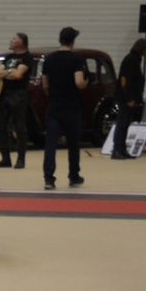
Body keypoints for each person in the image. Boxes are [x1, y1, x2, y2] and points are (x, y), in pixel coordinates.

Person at [41, 25, 86, 189]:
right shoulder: (76, 59)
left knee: (50, 144)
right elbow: (79, 82)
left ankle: (49, 179)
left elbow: (45, 84)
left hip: (54, 106)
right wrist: (86, 83)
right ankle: (74, 176)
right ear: (73, 41)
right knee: (73, 144)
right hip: (71, 107)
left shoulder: (49, 59)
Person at [0, 33, 35, 169]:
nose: (11, 40)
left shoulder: (27, 58)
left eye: (14, 39)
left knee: (19, 127)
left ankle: (21, 159)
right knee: (0, 126)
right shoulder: (9, 57)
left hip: (18, 94)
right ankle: (5, 158)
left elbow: (18, 75)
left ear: (22, 42)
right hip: (4, 94)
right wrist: (9, 72)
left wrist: (7, 72)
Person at [110, 37, 146, 159]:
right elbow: (124, 81)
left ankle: (122, 149)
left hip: (129, 98)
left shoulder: (135, 59)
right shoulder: (130, 60)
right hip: (125, 98)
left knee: (126, 124)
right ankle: (116, 149)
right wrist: (129, 98)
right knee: (122, 123)